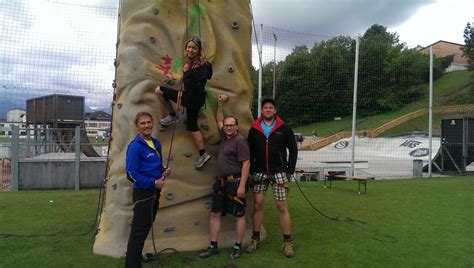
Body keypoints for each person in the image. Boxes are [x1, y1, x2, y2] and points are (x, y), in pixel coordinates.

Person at [198, 94, 250, 260]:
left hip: (235, 182)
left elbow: (246, 164)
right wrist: (220, 105)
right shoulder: (225, 136)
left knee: (239, 215)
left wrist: (242, 186)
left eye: (231, 125)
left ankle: (237, 246)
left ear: (236, 127)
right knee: (215, 213)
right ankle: (213, 245)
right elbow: (219, 119)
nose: (227, 127)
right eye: (226, 126)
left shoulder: (240, 141)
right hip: (221, 182)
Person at [245, 98, 298, 258]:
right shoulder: (254, 129)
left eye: (271, 108)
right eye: (265, 108)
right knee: (258, 205)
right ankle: (255, 239)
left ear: (275, 111)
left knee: (281, 206)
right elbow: (250, 151)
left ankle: (287, 242)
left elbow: (293, 149)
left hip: (279, 172)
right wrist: (251, 170)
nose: (268, 110)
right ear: (261, 111)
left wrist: (290, 169)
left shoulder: (284, 128)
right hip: (259, 172)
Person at [155, 36, 213, 168]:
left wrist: (187, 72)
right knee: (192, 126)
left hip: (191, 97)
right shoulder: (202, 64)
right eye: (189, 47)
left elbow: (193, 84)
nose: (190, 50)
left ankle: (172, 115)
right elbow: (209, 76)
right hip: (196, 98)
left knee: (159, 90)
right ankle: (203, 154)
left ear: (199, 50)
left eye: (194, 48)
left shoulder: (201, 65)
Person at [125, 111, 171, 268]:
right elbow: (131, 174)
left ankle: (138, 256)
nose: (146, 126)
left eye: (148, 122)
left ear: (152, 123)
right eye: (142, 123)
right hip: (143, 194)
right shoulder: (135, 147)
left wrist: (163, 170)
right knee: (138, 232)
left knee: (144, 229)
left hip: (155, 193)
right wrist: (153, 183)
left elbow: (154, 166)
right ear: (137, 127)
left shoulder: (156, 143)